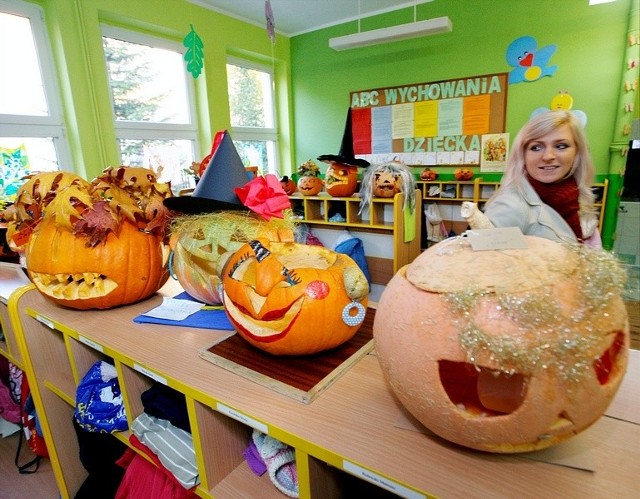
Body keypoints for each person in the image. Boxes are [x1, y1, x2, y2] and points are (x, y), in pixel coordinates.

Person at [482, 110, 601, 247]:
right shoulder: (510, 205)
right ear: (523, 155)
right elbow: (481, 264)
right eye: (536, 147)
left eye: (560, 146)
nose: (547, 156)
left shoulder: (577, 198)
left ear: (577, 152)